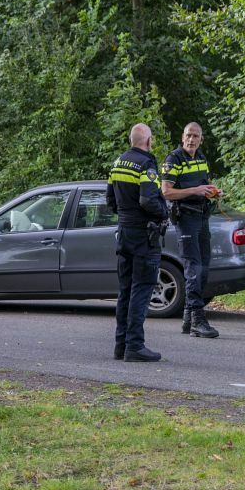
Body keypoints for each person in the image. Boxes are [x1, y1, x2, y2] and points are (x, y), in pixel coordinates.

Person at [106, 123, 169, 362]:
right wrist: (164, 213)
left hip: (124, 233)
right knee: (142, 289)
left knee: (125, 290)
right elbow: (148, 200)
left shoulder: (118, 163)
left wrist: (126, 216)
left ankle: (121, 345)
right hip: (144, 235)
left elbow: (110, 201)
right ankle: (135, 346)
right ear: (148, 141)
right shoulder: (146, 164)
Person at [161, 122, 220, 338]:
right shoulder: (173, 159)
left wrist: (212, 192)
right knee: (193, 267)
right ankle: (197, 319)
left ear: (201, 139)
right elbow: (166, 192)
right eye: (188, 135)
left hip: (202, 216)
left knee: (203, 267)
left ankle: (188, 318)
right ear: (182, 137)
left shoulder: (201, 157)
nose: (191, 140)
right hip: (185, 218)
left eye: (195, 136)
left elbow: (203, 186)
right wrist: (195, 190)